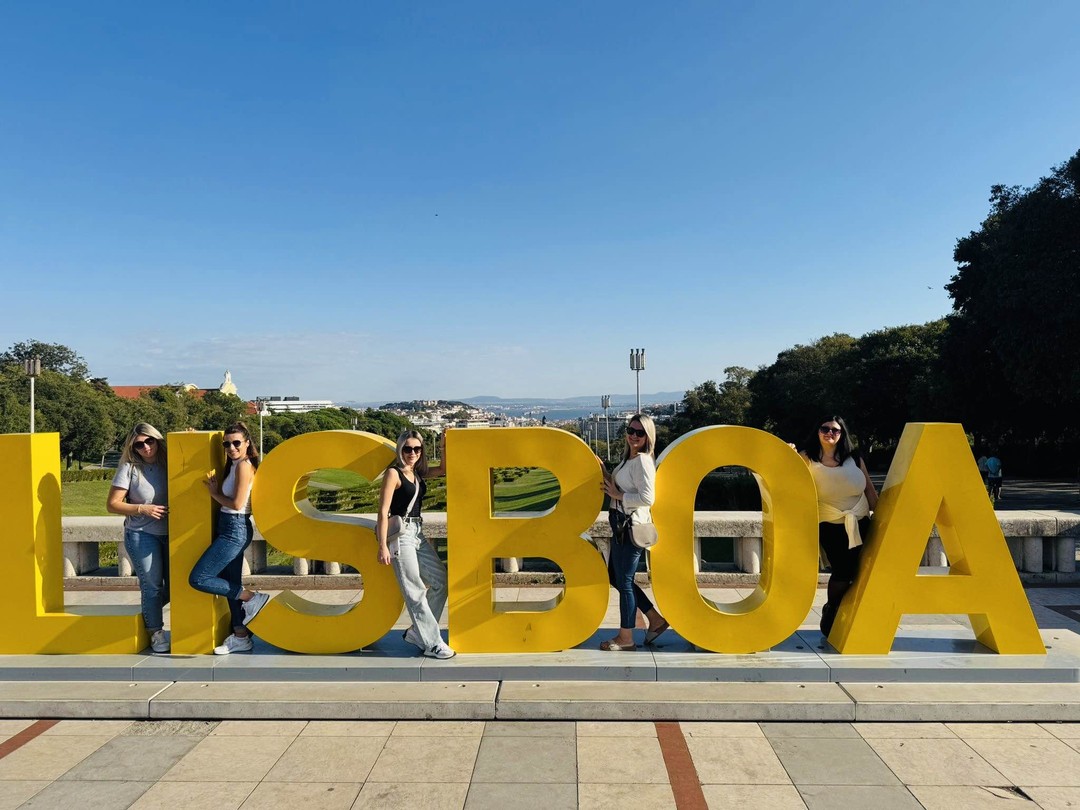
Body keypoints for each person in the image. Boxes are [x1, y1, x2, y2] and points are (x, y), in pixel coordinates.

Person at [189, 422, 270, 654]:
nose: (231, 447)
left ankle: (252, 598)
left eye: (236, 443)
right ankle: (241, 636)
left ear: (247, 443)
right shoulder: (234, 465)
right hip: (229, 528)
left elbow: (236, 504)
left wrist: (214, 494)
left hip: (234, 529)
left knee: (199, 578)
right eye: (227, 443)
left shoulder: (244, 466)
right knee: (230, 585)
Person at [797, 416, 878, 638]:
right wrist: (787, 451)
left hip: (861, 521)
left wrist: (880, 516)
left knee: (862, 571)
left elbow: (869, 489)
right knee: (843, 570)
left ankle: (850, 613)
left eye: (835, 430)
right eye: (825, 428)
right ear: (817, 431)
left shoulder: (854, 458)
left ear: (842, 434)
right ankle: (832, 607)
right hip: (830, 523)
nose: (830, 433)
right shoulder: (806, 458)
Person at [376, 430, 455, 659]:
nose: (412, 453)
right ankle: (432, 643)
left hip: (418, 533)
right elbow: (383, 512)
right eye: (408, 449)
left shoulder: (417, 473)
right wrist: (382, 545)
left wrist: (443, 447)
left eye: (417, 449)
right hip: (400, 535)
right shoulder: (394, 473)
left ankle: (417, 633)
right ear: (400, 449)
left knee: (441, 581)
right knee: (415, 590)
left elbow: (442, 470)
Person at [598, 414, 668, 651]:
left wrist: (618, 497)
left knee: (625, 582)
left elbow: (648, 497)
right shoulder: (629, 459)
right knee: (616, 578)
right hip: (620, 525)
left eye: (640, 433)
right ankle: (655, 620)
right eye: (631, 430)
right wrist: (605, 473)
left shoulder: (643, 461)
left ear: (648, 436)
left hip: (630, 527)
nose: (633, 435)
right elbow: (622, 486)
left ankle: (626, 638)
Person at [106, 423, 171, 653]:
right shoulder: (129, 468)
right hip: (142, 535)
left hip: (172, 535)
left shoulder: (168, 462)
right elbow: (112, 504)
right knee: (152, 586)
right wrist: (143, 509)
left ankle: (146, 614)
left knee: (176, 586)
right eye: (139, 444)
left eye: (149, 441)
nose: (145, 447)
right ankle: (156, 632)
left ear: (157, 439)